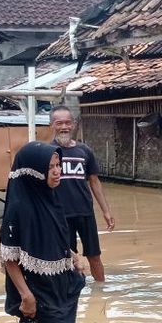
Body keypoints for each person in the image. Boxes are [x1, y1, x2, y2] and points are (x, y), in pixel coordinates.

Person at [0, 141, 86, 323]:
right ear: (33, 171)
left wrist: (72, 257)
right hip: (38, 291)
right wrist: (26, 295)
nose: (57, 171)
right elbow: (9, 257)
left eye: (59, 165)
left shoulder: (52, 199)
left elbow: (52, 238)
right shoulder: (19, 208)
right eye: (51, 167)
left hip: (59, 286)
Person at [50, 105, 115, 282]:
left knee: (94, 255)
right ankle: (72, 292)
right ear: (52, 125)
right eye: (59, 123)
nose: (64, 127)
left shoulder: (84, 151)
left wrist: (106, 211)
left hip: (85, 212)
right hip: (59, 215)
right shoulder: (47, 152)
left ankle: (101, 293)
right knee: (66, 259)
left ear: (73, 125)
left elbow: (94, 182)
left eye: (67, 123)